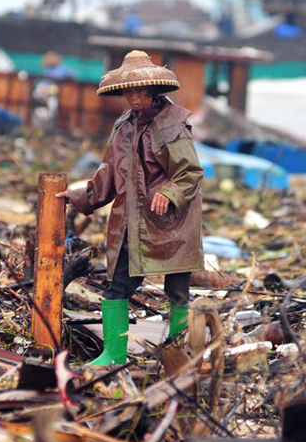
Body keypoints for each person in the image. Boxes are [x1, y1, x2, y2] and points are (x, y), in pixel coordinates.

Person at [56, 50, 204, 365]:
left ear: (152, 90)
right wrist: (81, 195)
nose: (134, 97)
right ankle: (114, 354)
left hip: (171, 224)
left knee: (177, 292)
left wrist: (169, 191)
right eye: (129, 91)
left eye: (140, 90)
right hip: (130, 221)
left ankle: (182, 355)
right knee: (117, 286)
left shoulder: (173, 123)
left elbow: (189, 174)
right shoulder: (123, 126)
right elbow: (109, 173)